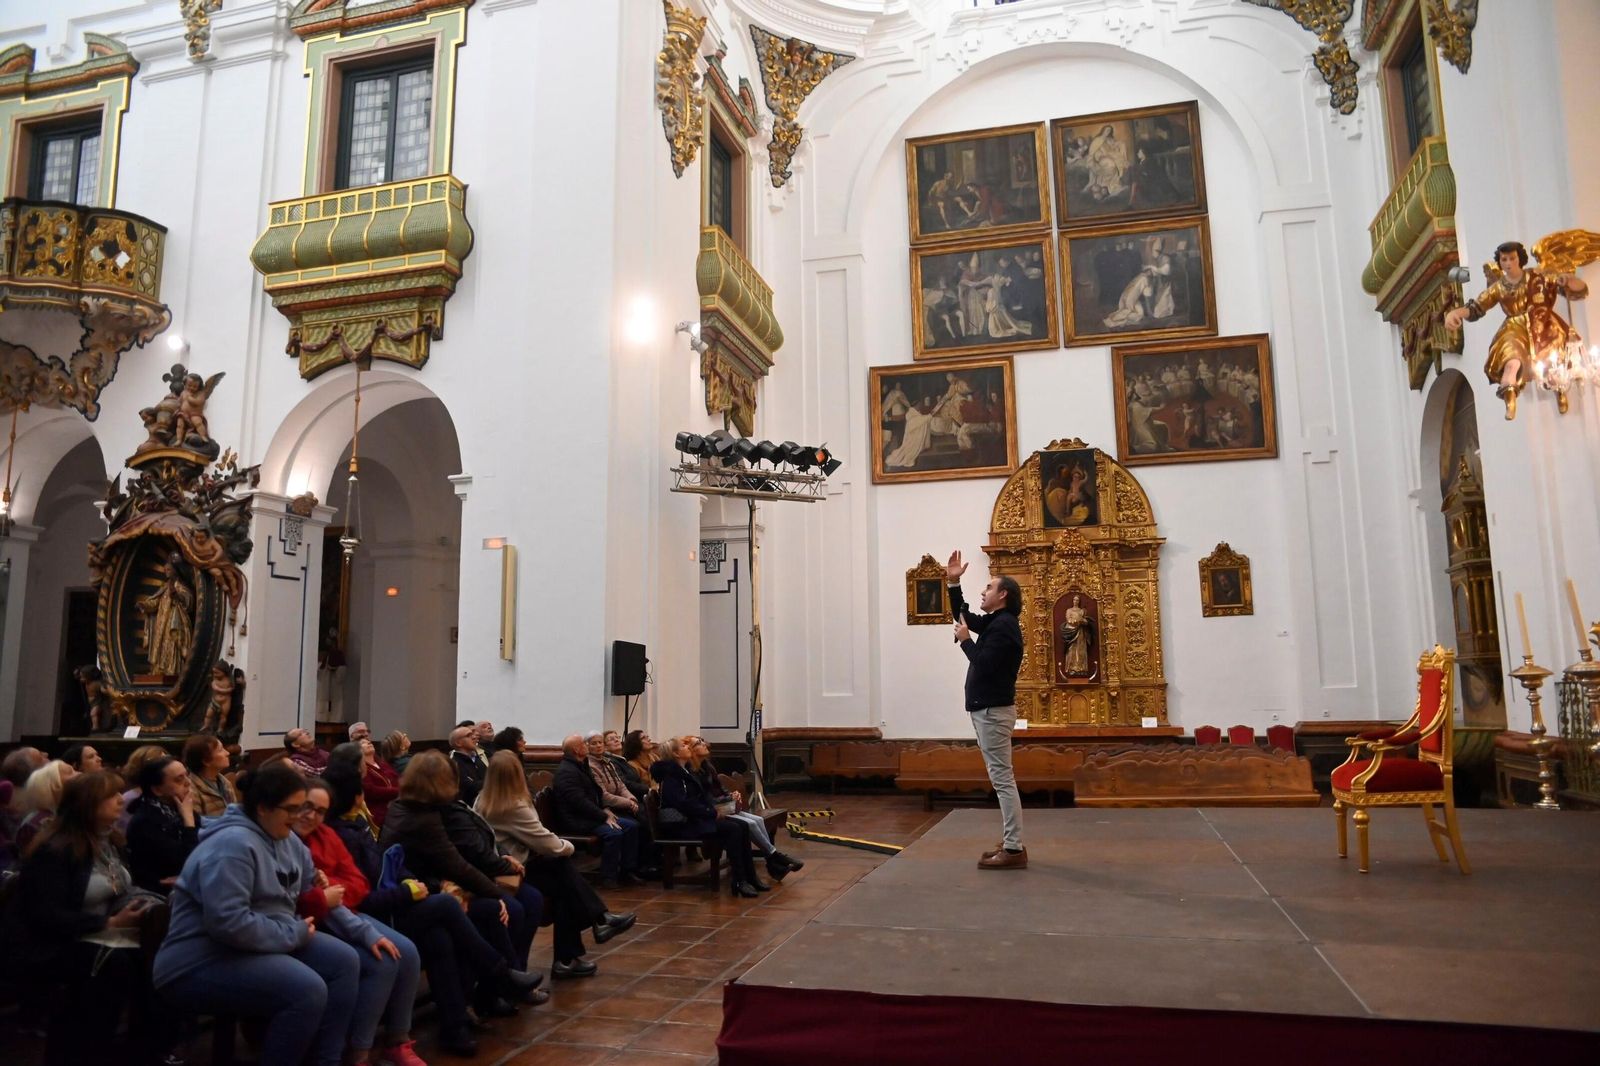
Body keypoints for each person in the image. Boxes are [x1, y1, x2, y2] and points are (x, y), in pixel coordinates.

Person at [154, 762, 361, 1066]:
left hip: (254, 944)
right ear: (263, 808)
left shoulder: (288, 840)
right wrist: (293, 933)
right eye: (291, 809)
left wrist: (366, 933)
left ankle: (326, 1060)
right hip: (200, 958)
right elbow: (228, 924)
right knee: (306, 990)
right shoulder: (232, 845)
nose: (299, 817)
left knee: (345, 961)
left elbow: (310, 894)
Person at [323, 771, 535, 1055]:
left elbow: (391, 865)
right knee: (456, 908)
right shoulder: (348, 834)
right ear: (356, 799)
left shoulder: (360, 826)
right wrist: (412, 891)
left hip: (399, 901)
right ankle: (498, 975)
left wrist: (417, 883)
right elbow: (360, 896)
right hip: (381, 912)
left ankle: (456, 1024)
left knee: (442, 937)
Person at [5, 771, 171, 1064]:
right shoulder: (55, 849)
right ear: (87, 804)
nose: (121, 800)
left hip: (98, 931)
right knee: (118, 964)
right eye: (110, 796)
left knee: (162, 953)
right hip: (57, 941)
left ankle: (144, 1048)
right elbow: (45, 915)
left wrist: (151, 901)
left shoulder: (109, 841)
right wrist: (108, 923)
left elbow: (120, 886)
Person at [287, 780, 430, 1066]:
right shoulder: (291, 842)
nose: (311, 816)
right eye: (306, 807)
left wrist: (333, 892)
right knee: (384, 961)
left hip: (344, 909)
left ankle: (397, 1039)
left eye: (319, 811)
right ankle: (359, 1051)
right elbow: (306, 897)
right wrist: (326, 896)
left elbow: (359, 884)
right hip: (317, 918)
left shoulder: (326, 834)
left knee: (409, 952)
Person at [379, 751, 541, 996]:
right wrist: (496, 893)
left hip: (436, 885)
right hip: (423, 894)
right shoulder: (425, 817)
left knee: (519, 901)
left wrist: (499, 861)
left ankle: (504, 982)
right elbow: (457, 864)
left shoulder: (408, 806)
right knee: (502, 909)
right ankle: (499, 984)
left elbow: (479, 839)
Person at [476, 750, 637, 979]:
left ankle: (578, 947)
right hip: (511, 871)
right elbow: (547, 843)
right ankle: (593, 927)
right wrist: (568, 847)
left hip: (512, 864)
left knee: (564, 885)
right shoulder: (511, 806)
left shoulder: (483, 798)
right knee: (562, 870)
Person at [1444, 240, 1590, 420]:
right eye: (1504, 260)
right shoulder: (1499, 287)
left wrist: (1569, 279)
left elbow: (1576, 290)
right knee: (1511, 360)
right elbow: (1477, 307)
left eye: (1512, 258)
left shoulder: (1538, 276)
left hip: (1543, 323)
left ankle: (1560, 390)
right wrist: (1456, 312)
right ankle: (1510, 398)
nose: (1508, 263)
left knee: (1554, 356)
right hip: (1515, 327)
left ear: (1519, 259)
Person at [946, 550, 1028, 869]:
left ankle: (1013, 848)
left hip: (993, 711)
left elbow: (984, 664)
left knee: (1002, 780)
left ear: (1003, 595)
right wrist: (954, 583)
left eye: (989, 587)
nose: (984, 591)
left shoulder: (1005, 626)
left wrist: (966, 641)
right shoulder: (998, 622)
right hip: (989, 711)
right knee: (1001, 779)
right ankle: (1012, 842)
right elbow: (963, 617)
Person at [652, 739, 765, 897]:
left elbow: (700, 797)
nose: (688, 747)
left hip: (694, 819)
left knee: (743, 826)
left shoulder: (684, 771)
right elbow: (683, 804)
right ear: (676, 754)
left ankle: (749, 877)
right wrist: (711, 813)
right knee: (733, 829)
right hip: (682, 825)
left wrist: (715, 808)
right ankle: (739, 881)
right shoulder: (672, 776)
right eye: (684, 746)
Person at [687, 737, 804, 882]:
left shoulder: (707, 766)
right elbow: (706, 797)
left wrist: (730, 795)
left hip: (723, 806)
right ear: (691, 750)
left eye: (702, 741)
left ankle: (773, 861)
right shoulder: (692, 772)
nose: (704, 744)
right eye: (698, 743)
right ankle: (774, 858)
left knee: (758, 819)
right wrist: (726, 800)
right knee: (751, 824)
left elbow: (719, 788)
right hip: (714, 811)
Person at [551, 734, 643, 889]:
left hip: (591, 815)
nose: (587, 745)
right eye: (583, 744)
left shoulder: (581, 764)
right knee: (614, 833)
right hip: (577, 820)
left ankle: (627, 871)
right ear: (576, 750)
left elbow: (596, 792)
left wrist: (605, 809)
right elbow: (580, 803)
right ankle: (609, 878)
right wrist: (603, 816)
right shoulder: (567, 772)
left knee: (632, 826)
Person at [125, 754, 201, 893]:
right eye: (179, 779)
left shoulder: (179, 809)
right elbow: (187, 861)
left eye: (186, 775)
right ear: (157, 790)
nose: (188, 782)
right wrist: (189, 822)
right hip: (158, 892)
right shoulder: (145, 822)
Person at [14, 759, 74, 854]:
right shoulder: (36, 824)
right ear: (53, 786)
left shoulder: (69, 815)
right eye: (70, 772)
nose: (80, 774)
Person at [183, 733, 237, 818]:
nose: (227, 753)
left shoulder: (225, 782)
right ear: (206, 761)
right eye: (221, 750)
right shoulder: (191, 789)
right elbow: (198, 824)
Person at [359, 735, 400, 828]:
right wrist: (398, 791)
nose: (369, 743)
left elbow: (396, 778)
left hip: (395, 805)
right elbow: (371, 790)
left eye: (368, 741)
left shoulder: (382, 764)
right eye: (363, 743)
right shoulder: (363, 769)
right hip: (379, 812)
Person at [448, 724, 487, 806]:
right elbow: (470, 787)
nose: (474, 737)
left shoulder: (477, 759)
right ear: (458, 743)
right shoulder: (454, 764)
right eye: (469, 735)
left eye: (473, 734)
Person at [1060, 595, 1093, 678]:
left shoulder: (1082, 611)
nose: (1075, 601)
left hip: (1080, 632)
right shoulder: (1069, 610)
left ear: (1079, 601)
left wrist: (1083, 621)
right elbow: (1068, 620)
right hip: (1071, 631)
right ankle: (1071, 668)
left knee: (1080, 649)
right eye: (1074, 600)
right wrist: (1076, 621)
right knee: (1071, 649)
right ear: (1072, 601)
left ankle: (1081, 668)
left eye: (1077, 600)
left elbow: (1085, 621)